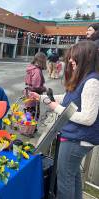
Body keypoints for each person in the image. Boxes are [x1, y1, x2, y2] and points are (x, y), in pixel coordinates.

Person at [29, 41, 99, 199]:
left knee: (64, 179)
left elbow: (88, 118)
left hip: (78, 139)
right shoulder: (85, 78)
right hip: (76, 137)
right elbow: (68, 99)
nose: (70, 61)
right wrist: (41, 97)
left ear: (86, 58)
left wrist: (54, 106)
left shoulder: (92, 81)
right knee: (72, 175)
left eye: (74, 57)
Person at [24, 52, 47, 120]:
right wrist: (44, 89)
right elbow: (36, 86)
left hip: (28, 94)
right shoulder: (37, 71)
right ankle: (32, 130)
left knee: (28, 115)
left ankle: (28, 129)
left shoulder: (31, 68)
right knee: (33, 116)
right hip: (33, 96)